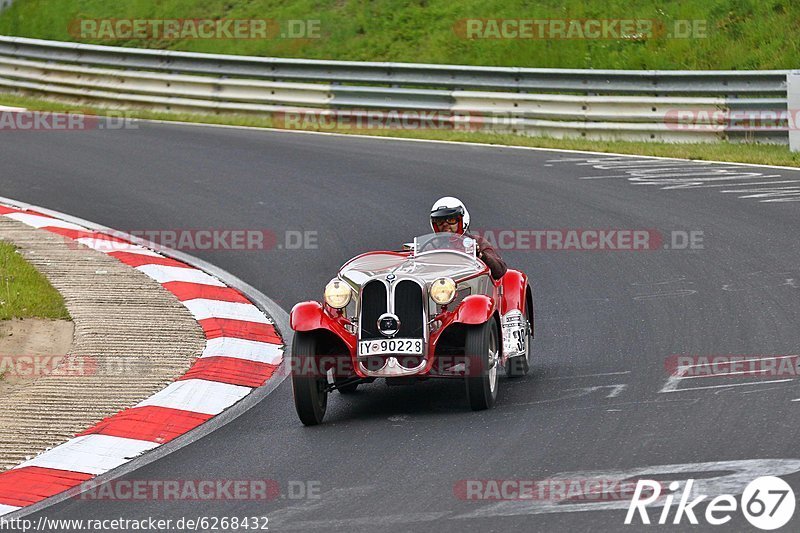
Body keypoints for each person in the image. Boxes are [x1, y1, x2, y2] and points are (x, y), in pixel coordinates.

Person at [429, 196, 507, 280]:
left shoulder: (478, 242)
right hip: (439, 288)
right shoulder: (430, 246)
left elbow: (500, 270)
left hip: (471, 286)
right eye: (440, 222)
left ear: (461, 220)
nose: (445, 224)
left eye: (451, 220)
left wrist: (480, 255)